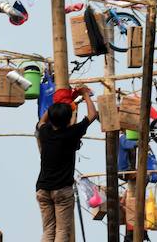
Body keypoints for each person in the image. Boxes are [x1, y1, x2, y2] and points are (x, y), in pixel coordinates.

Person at [35, 87, 98, 242]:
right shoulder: (72, 133)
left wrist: (54, 106)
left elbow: (41, 121)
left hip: (43, 188)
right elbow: (93, 115)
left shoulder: (45, 133)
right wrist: (85, 95)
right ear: (69, 118)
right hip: (62, 189)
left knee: (48, 230)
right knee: (62, 230)